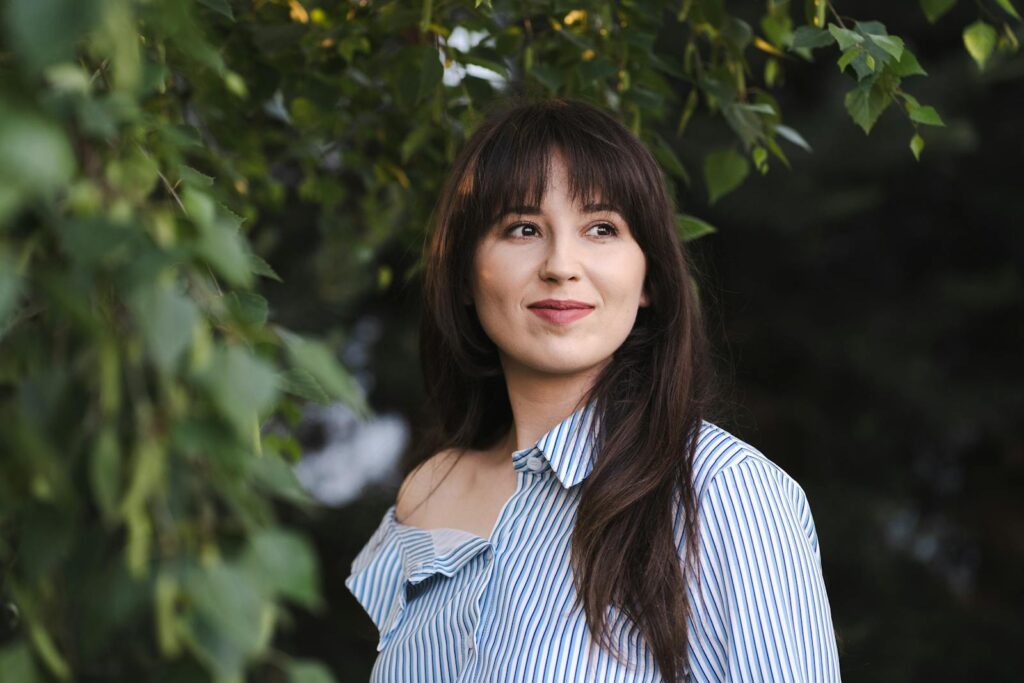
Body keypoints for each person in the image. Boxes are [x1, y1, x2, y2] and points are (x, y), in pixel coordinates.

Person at [345, 97, 842, 682]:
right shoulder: (427, 493)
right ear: (463, 275)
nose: (561, 264)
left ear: (649, 277)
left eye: (601, 228)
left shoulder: (722, 491)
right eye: (523, 228)